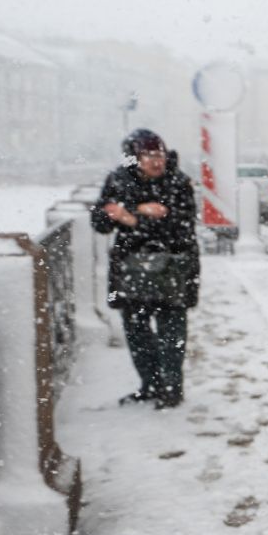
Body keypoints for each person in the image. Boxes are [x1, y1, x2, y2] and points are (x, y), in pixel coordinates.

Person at [92, 128, 200, 409]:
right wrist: (135, 211)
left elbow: (181, 229)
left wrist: (131, 219)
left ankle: (171, 389)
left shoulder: (178, 182)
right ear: (133, 158)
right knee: (137, 333)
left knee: (171, 334)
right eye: (148, 155)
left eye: (159, 154)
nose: (156, 161)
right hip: (131, 272)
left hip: (172, 271)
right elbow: (100, 221)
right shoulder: (118, 179)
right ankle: (149, 385)